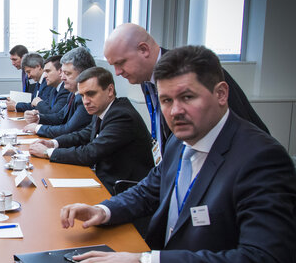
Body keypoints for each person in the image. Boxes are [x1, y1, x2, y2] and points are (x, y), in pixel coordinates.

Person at [59, 45, 296, 263]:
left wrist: (145, 262)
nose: (175, 111)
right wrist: (104, 210)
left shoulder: (261, 159)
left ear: (221, 94)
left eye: (187, 97)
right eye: (167, 100)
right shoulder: (182, 142)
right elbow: (149, 190)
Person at [103, 23, 268, 161]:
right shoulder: (146, 81)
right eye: (167, 100)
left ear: (144, 50)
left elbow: (242, 129)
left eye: (121, 63)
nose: (117, 72)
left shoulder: (194, 69)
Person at [29, 67, 153, 192]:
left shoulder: (122, 115)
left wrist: (48, 152)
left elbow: (90, 153)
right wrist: (53, 143)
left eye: (91, 94)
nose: (85, 101)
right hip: (103, 179)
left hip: (121, 190)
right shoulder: (104, 109)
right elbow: (84, 134)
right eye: (82, 95)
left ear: (110, 90)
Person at [23, 47, 94, 138]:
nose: (62, 77)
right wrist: (38, 118)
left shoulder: (85, 98)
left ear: (83, 74)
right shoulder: (73, 93)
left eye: (67, 73)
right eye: (62, 72)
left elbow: (68, 129)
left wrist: (38, 128)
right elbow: (60, 117)